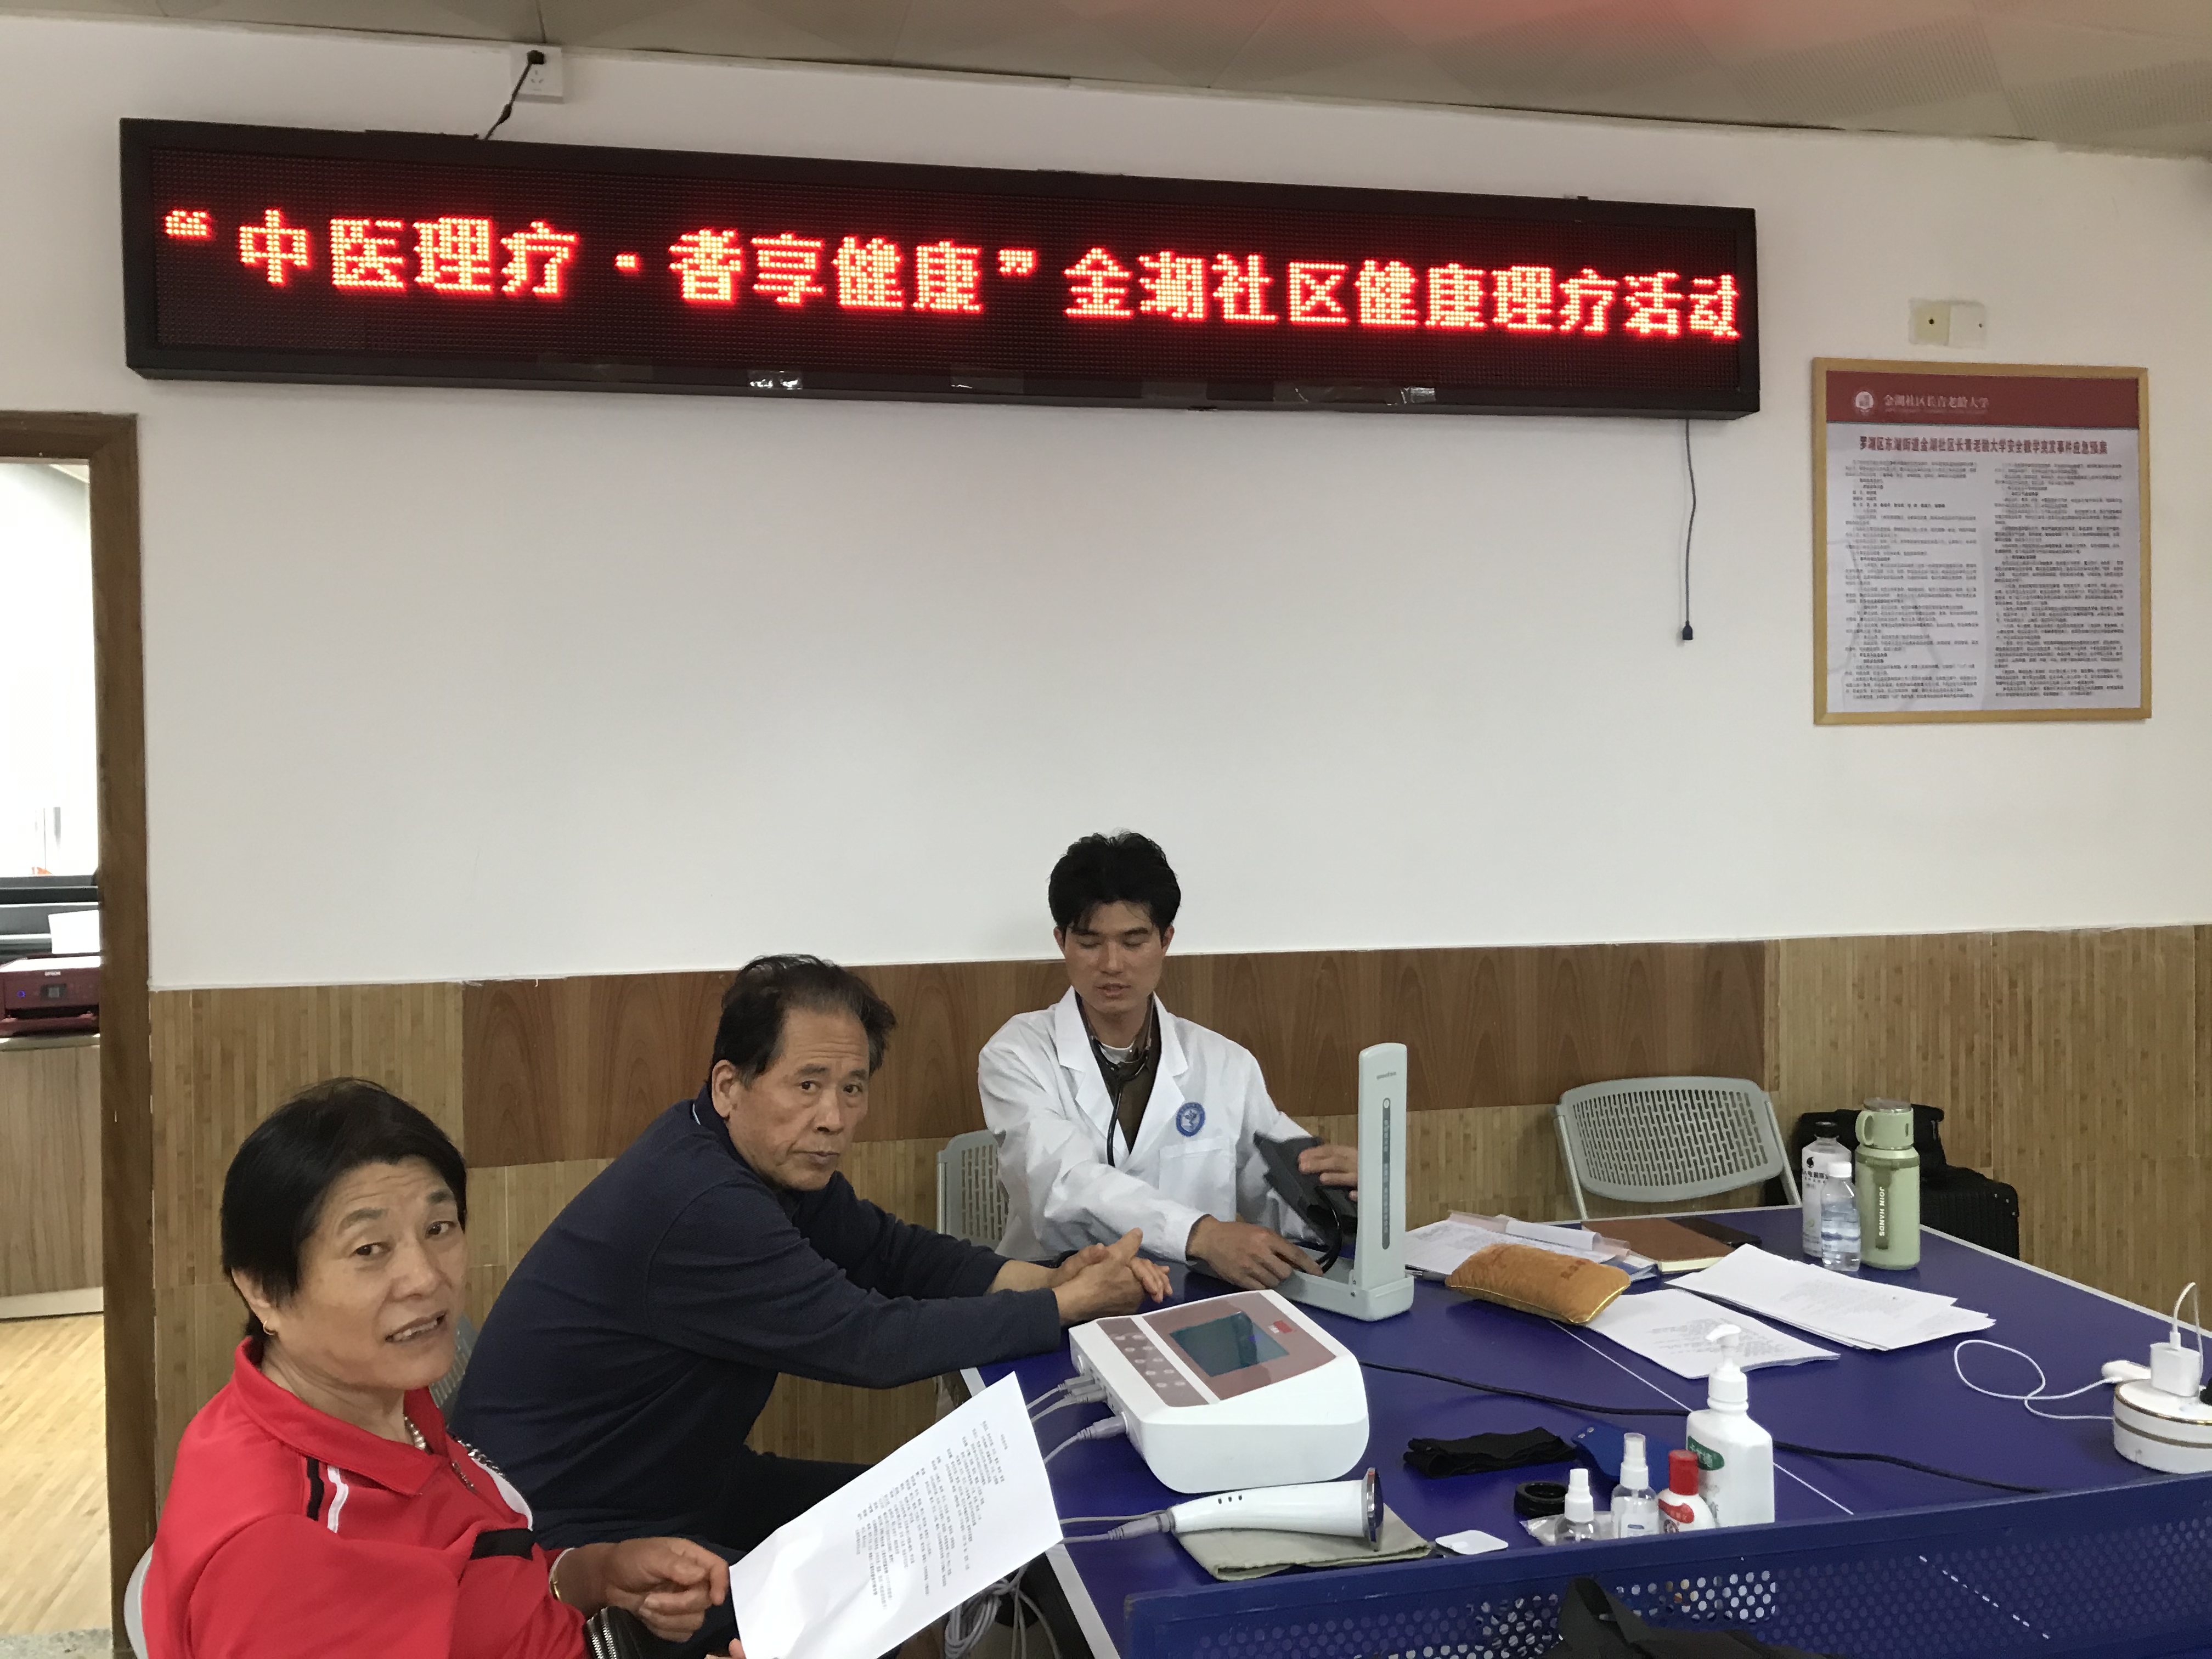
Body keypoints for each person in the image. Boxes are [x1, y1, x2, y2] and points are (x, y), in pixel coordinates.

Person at [452, 955, 1166, 1659]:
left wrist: (1045, 1280)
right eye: (807, 1085)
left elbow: (890, 1253)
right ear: (730, 1086)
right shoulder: (703, 1201)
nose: (833, 1118)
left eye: (853, 1089)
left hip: (681, 1480)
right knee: (894, 1588)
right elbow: (869, 1342)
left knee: (919, 1523)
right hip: (571, 1534)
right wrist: (1062, 1307)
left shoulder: (753, 1157)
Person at [144, 1079, 737, 1659]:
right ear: (263, 1291)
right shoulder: (281, 1558)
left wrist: (591, 1575)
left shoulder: (377, 1402)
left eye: (439, 1229)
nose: (427, 1278)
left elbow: (476, 1593)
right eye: (369, 1250)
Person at [980, 831, 1360, 1288]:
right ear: (1062, 942)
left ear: (1165, 940)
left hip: (1192, 1299)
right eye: (1090, 942)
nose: (1112, 964)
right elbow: (1060, 1185)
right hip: (1058, 1297)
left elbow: (1281, 1195)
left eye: (1133, 941)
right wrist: (1200, 1234)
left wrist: (1347, 1196)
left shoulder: (1225, 1065)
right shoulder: (1017, 1054)